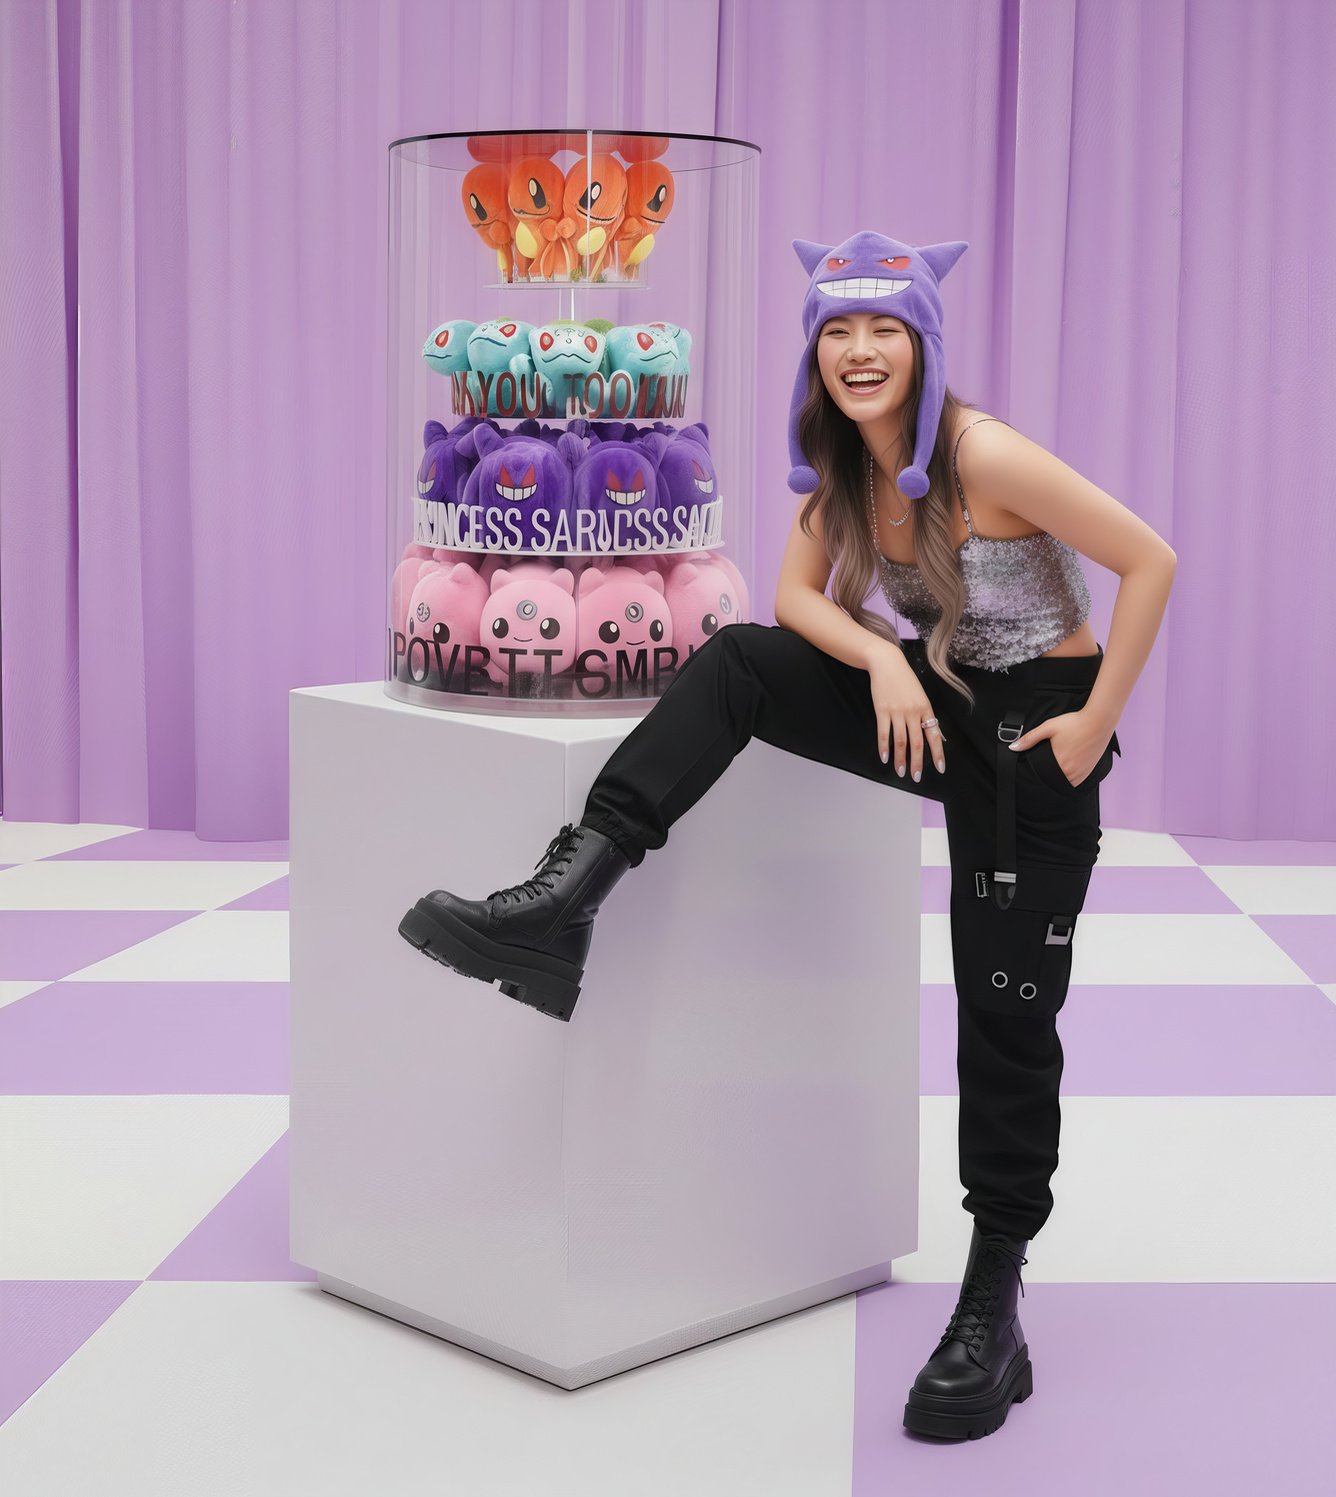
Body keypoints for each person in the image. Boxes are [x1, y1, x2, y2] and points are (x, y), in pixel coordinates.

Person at [397, 229, 1177, 1441]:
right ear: (815, 347)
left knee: (1005, 1013)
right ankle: (566, 901)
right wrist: (883, 660)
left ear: (921, 341)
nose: (861, 349)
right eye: (837, 328)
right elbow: (793, 601)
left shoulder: (982, 453)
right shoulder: (845, 462)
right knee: (740, 665)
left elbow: (1149, 560)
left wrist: (1094, 726)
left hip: (1035, 745)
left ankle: (991, 1306)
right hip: (940, 694)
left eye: (885, 328)